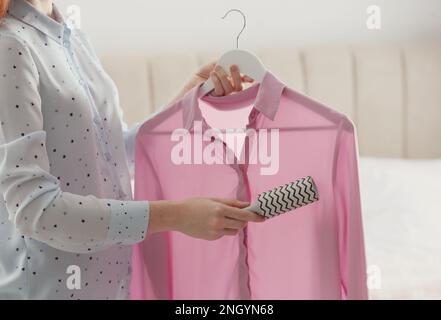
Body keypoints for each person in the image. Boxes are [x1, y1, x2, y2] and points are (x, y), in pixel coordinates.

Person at [0, 0, 263, 299]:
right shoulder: (10, 46)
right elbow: (36, 210)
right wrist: (177, 216)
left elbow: (113, 153)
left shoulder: (70, 34)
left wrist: (186, 101)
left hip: (115, 287)